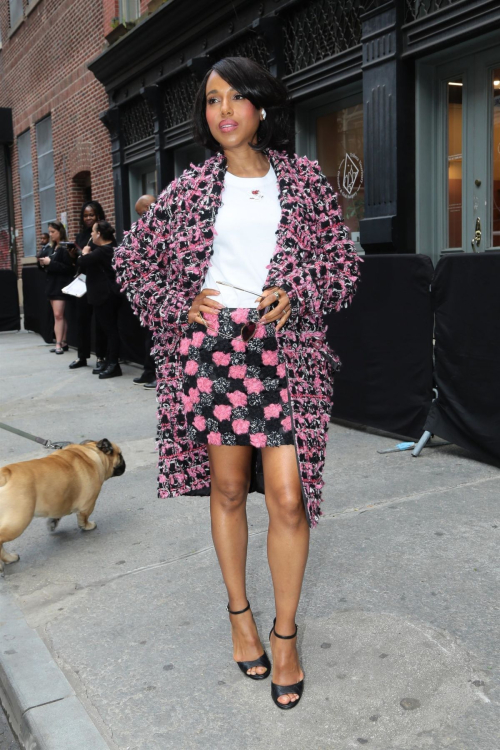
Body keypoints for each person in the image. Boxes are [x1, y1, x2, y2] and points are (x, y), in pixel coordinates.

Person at [114, 57, 360, 709]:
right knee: (227, 488)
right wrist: (179, 302)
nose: (222, 109)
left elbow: (341, 262)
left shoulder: (305, 179)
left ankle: (285, 636)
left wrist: (298, 290)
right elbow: (130, 261)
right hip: (215, 352)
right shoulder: (189, 188)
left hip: (283, 352)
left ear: (260, 107)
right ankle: (239, 617)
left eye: (235, 97)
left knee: (286, 497)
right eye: (211, 100)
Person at [79, 221, 123, 379]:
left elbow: (83, 262)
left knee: (110, 330)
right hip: (107, 294)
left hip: (105, 295)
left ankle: (113, 364)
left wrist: (84, 252)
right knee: (108, 329)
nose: (91, 234)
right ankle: (109, 361)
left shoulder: (104, 250)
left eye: (93, 232)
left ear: (99, 234)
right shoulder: (111, 247)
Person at [69, 201, 108, 373]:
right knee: (82, 319)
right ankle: (82, 356)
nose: (88, 218)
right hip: (83, 281)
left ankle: (101, 356)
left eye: (91, 214)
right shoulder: (80, 236)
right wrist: (73, 256)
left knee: (100, 321)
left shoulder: (104, 233)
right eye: (85, 215)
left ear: (98, 215)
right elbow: (78, 261)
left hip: (98, 281)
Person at [132, 194, 157, 390]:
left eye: (142, 213)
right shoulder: (144, 230)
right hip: (147, 290)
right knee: (149, 334)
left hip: (162, 289)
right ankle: (149, 371)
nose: (141, 218)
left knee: (158, 336)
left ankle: (159, 374)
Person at [37, 221, 75, 354]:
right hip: (52, 284)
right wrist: (42, 263)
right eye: (50, 232)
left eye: (53, 232)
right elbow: (49, 266)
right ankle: (63, 341)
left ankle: (58, 343)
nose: (51, 234)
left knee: (58, 315)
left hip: (61, 284)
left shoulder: (65, 248)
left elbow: (67, 268)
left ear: (60, 232)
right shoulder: (52, 247)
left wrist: (50, 262)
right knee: (58, 315)